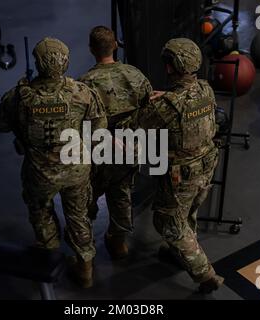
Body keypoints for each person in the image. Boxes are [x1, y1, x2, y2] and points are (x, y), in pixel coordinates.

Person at [0, 37, 107, 288]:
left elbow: (1, 125)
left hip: (39, 173)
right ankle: (85, 268)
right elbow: (99, 126)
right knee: (78, 215)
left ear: (37, 62)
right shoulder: (82, 93)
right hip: (76, 169)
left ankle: (49, 255)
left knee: (41, 211)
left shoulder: (19, 96)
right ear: (65, 62)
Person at [125, 38, 224, 293]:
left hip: (182, 172)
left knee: (168, 222)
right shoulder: (205, 89)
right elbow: (186, 103)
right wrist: (168, 97)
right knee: (189, 211)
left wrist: (154, 103)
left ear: (170, 68)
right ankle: (176, 252)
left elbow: (140, 122)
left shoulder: (166, 106)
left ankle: (205, 274)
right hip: (207, 162)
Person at [78, 26, 153, 259]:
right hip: (128, 149)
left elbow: (80, 122)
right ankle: (118, 243)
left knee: (86, 197)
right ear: (116, 46)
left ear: (91, 49)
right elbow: (149, 107)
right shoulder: (135, 75)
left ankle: (84, 248)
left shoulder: (84, 83)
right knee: (121, 196)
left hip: (100, 152)